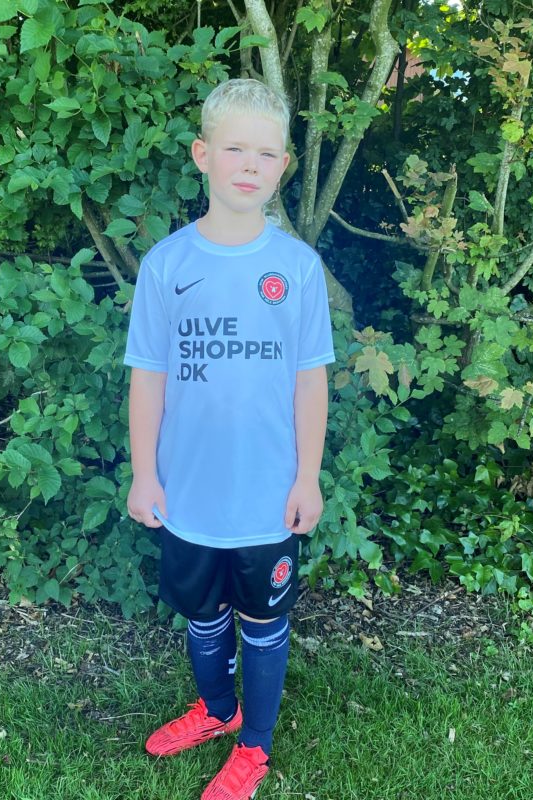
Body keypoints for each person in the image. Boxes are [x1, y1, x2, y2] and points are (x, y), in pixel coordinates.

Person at [124, 78, 335, 800]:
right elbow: (148, 377)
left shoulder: (297, 269)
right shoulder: (167, 265)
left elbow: (310, 382)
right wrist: (145, 474)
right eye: (235, 148)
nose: (250, 164)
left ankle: (255, 747)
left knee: (262, 622)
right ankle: (217, 710)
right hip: (187, 492)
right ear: (202, 155)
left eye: (267, 153)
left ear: (283, 167)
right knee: (203, 614)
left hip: (267, 497)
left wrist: (307, 477)